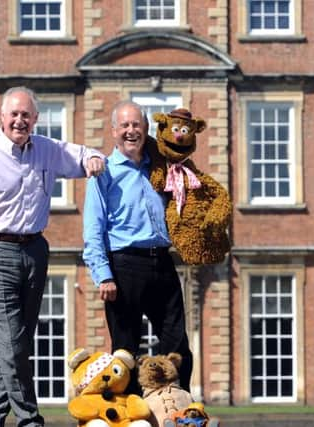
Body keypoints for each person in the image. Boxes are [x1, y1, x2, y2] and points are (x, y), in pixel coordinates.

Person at [0, 86, 105, 427]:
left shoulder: (46, 149)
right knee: (11, 342)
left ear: (35, 119)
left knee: (18, 340)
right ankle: (29, 418)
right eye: (14, 114)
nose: (20, 120)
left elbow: (81, 155)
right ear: (2, 118)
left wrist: (93, 158)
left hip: (35, 251)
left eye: (26, 115)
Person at [82, 100, 193, 394]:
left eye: (137, 125)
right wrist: (102, 274)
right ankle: (132, 417)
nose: (131, 131)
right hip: (123, 266)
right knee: (125, 352)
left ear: (146, 129)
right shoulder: (103, 172)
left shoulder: (160, 166)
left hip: (163, 263)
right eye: (125, 125)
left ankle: (179, 411)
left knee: (178, 345)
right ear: (114, 131)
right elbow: (93, 228)